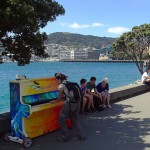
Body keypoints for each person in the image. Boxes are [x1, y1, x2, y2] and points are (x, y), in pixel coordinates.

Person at [55, 73, 85, 142]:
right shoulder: (70, 83)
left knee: (61, 120)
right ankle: (81, 135)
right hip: (78, 103)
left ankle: (65, 137)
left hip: (70, 105)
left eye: (57, 80)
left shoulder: (61, 86)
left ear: (60, 79)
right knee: (75, 120)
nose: (56, 81)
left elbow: (59, 98)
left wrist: (54, 101)